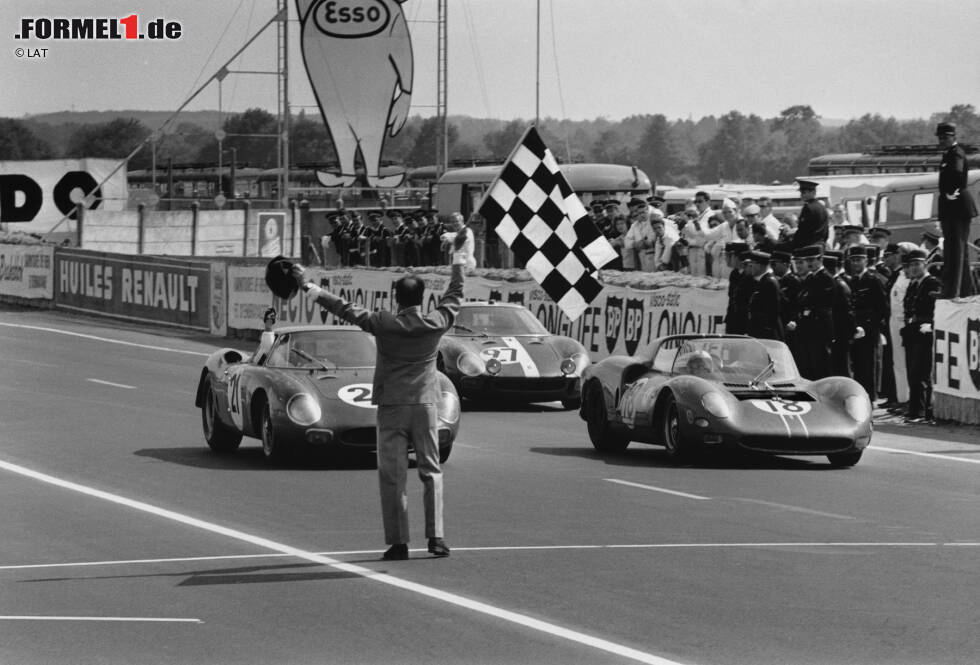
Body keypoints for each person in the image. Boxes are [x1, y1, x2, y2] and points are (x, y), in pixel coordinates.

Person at [289, 251, 468, 560]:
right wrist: (458, 262)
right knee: (431, 469)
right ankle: (436, 537)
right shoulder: (436, 321)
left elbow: (344, 308)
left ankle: (399, 542)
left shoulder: (384, 322)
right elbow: (455, 294)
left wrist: (309, 287)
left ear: (395, 298)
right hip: (425, 403)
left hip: (391, 405)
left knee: (392, 474)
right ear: (422, 298)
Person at [936, 122, 978, 298]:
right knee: (952, 248)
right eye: (940, 137)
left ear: (954, 137)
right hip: (951, 207)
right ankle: (957, 289)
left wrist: (952, 191)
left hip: (957, 206)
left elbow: (957, 173)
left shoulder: (956, 153)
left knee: (958, 249)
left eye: (945, 137)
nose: (942, 140)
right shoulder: (948, 154)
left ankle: (956, 291)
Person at [900, 249, 942, 422]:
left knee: (922, 373)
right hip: (912, 331)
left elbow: (937, 307)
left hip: (924, 331)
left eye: (917, 264)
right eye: (911, 265)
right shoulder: (913, 284)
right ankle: (915, 409)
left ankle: (923, 411)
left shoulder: (931, 283)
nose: (914, 268)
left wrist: (931, 325)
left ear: (925, 264)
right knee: (912, 372)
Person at [845, 245, 888, 400]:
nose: (856, 263)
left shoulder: (873, 280)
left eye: (859, 260)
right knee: (856, 362)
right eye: (853, 260)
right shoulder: (850, 280)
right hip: (854, 327)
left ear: (866, 261)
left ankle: (870, 396)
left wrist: (871, 326)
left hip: (868, 328)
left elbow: (882, 307)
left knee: (868, 363)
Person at [787, 244, 835, 380]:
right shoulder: (811, 278)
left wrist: (808, 312)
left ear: (820, 259)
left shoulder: (826, 279)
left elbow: (824, 305)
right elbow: (802, 302)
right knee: (809, 365)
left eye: (812, 260)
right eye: (807, 260)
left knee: (821, 365)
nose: (809, 263)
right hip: (808, 328)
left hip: (820, 328)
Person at [745, 251, 784, 341]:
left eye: (752, 265)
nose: (750, 268)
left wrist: (764, 332)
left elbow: (772, 313)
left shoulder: (769, 283)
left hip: (767, 335)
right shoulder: (762, 281)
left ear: (760, 265)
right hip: (759, 333)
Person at [791, 179, 829, 250]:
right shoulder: (822, 207)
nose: (801, 195)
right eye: (801, 192)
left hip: (807, 246)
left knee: (778, 248)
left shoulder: (808, 208)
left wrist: (792, 242)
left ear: (813, 192)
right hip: (820, 246)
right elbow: (826, 233)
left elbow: (803, 231)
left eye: (804, 192)